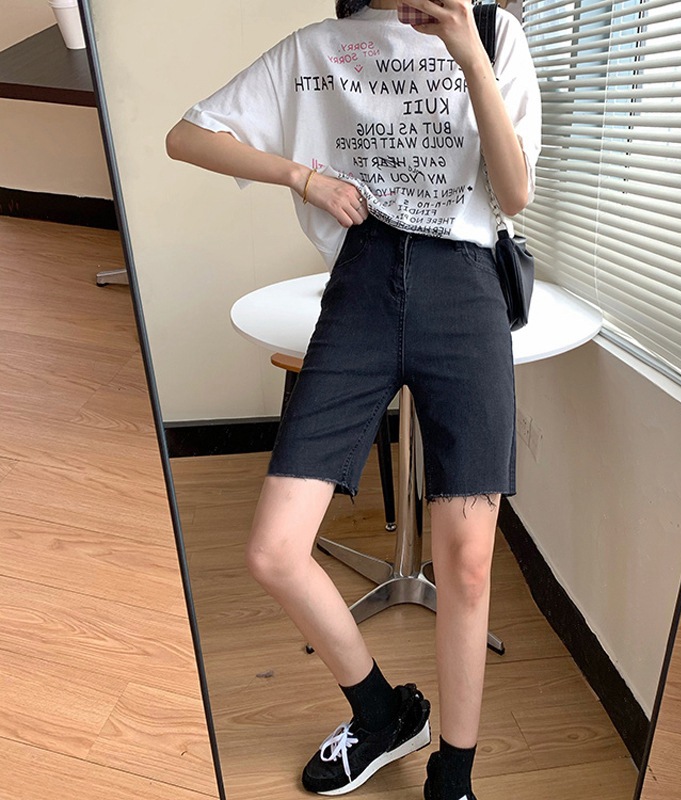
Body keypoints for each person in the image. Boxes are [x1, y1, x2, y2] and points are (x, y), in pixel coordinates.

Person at [166, 2, 541, 798]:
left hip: (466, 290)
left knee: (468, 564)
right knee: (274, 549)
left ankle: (454, 775)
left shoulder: (494, 33)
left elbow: (514, 193)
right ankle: (382, 713)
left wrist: (469, 52)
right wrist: (303, 177)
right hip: (362, 288)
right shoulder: (319, 47)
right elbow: (186, 136)